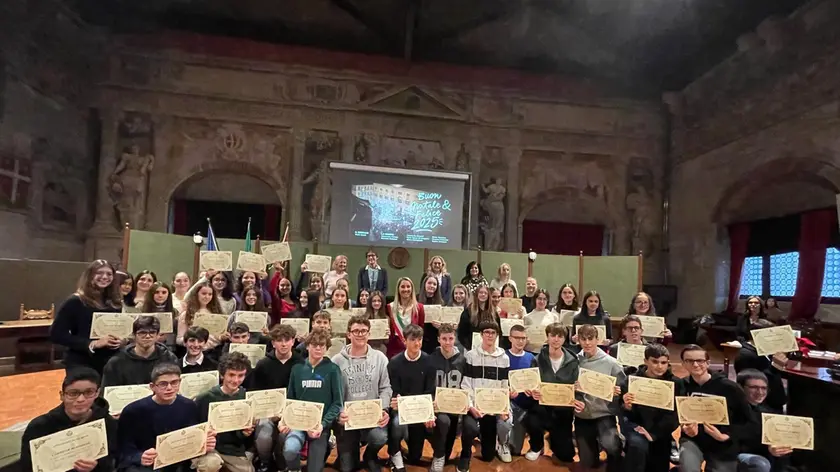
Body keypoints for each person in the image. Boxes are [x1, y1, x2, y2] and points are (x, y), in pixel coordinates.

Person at [117, 363, 218, 472]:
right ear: (152, 387)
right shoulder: (133, 411)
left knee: (212, 461)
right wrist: (139, 457)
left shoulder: (189, 406)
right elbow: (123, 448)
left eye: (174, 383)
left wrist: (205, 443)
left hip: (182, 460)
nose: (169, 388)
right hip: (149, 464)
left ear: (180, 382)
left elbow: (194, 437)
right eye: (163, 384)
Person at [21, 367, 119, 472]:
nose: (81, 399)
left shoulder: (107, 422)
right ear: (62, 395)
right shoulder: (39, 427)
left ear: (97, 393)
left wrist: (96, 467)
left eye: (89, 392)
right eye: (73, 393)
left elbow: (112, 462)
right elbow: (27, 467)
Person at [677, 344, 755, 472]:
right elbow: (675, 415)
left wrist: (726, 436)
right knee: (688, 467)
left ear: (708, 363)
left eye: (700, 361)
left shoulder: (730, 388)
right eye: (689, 361)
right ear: (683, 364)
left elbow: (750, 423)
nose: (695, 365)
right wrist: (684, 428)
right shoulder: (680, 385)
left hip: (723, 445)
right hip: (693, 440)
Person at [332, 316, 391, 472]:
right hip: (347, 420)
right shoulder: (336, 361)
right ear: (348, 334)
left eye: (363, 331)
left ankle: (370, 455)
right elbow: (332, 393)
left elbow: (386, 388)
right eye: (356, 331)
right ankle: (347, 453)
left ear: (369, 334)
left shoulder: (380, 358)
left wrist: (384, 409)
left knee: (380, 437)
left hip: (371, 417)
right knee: (347, 468)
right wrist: (339, 413)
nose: (360, 334)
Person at [281, 328, 343, 472]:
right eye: (315, 345)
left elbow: (337, 403)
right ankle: (294, 469)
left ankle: (326, 445)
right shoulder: (297, 369)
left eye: (322, 346)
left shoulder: (333, 369)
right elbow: (291, 399)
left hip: (319, 426)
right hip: (298, 422)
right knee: (290, 450)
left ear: (327, 348)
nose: (318, 348)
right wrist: (287, 420)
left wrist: (322, 424)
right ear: (308, 346)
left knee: (314, 469)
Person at [51, 259, 123, 374]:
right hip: (81, 361)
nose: (105, 277)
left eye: (109, 274)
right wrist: (91, 344)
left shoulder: (115, 303)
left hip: (110, 362)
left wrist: (121, 341)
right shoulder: (75, 301)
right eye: (99, 273)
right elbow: (56, 334)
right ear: (90, 275)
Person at [523, 323, 581, 463]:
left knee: (566, 456)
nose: (556, 339)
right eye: (552, 335)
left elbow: (576, 385)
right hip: (542, 407)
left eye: (560, 336)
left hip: (563, 410)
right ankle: (537, 446)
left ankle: (553, 438)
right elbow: (532, 384)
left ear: (564, 339)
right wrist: (532, 392)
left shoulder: (573, 361)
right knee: (530, 420)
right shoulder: (537, 359)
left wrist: (576, 389)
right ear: (547, 337)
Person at [386, 324, 441, 472]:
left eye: (420, 339)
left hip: (420, 410)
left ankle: (413, 445)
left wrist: (429, 412)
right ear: (405, 341)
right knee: (397, 423)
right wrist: (396, 400)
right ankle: (394, 453)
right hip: (401, 410)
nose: (417, 343)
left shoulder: (429, 361)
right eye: (413, 340)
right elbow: (394, 389)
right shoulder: (394, 363)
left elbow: (430, 390)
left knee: (415, 456)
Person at [460, 321, 513, 468]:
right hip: (476, 407)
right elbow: (466, 385)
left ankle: (499, 443)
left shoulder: (504, 358)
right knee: (469, 429)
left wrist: (504, 408)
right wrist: (471, 406)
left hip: (494, 407)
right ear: (481, 335)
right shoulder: (471, 356)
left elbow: (504, 385)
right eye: (486, 332)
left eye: (493, 333)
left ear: (497, 335)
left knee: (488, 456)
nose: (490, 335)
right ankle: (466, 454)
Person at [252, 324, 304, 472]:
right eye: (279, 340)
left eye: (287, 339)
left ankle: (283, 464)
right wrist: (269, 412)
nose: (283, 344)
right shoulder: (263, 364)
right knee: (264, 433)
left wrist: (286, 414)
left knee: (284, 436)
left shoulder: (300, 363)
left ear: (293, 341)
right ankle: (265, 463)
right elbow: (255, 393)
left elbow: (302, 393)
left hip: (290, 411)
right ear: (273, 342)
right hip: (267, 411)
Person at [620, 343, 679, 472]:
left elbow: (674, 416)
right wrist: (627, 406)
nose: (660, 366)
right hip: (636, 427)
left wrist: (653, 434)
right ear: (645, 361)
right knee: (637, 451)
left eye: (664, 363)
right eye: (655, 362)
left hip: (661, 431)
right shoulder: (631, 381)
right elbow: (625, 414)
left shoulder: (675, 383)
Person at [575, 324, 625, 472]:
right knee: (588, 462)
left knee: (611, 445)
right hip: (582, 414)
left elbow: (624, 389)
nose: (587, 343)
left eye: (591, 339)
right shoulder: (574, 361)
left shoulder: (612, 363)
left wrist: (619, 391)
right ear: (578, 340)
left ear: (598, 339)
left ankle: (617, 447)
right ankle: (595, 444)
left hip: (604, 413)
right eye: (583, 339)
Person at [194, 352, 255, 472]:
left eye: (240, 375)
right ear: (222, 375)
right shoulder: (205, 398)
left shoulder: (247, 398)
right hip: (209, 448)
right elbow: (195, 427)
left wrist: (245, 433)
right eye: (231, 375)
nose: (235, 380)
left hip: (233, 450)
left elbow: (242, 436)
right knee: (211, 464)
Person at [735, 369, 792, 472]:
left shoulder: (769, 413)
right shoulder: (733, 410)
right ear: (740, 387)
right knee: (761, 463)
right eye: (754, 387)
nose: (760, 392)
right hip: (735, 456)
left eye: (764, 388)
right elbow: (737, 443)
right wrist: (768, 448)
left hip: (764, 454)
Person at [102, 315, 177, 388]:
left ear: (157, 335)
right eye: (142, 333)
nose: (147, 336)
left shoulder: (169, 358)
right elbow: (107, 391)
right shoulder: (116, 362)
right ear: (134, 335)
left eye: (152, 332)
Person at [429, 323, 466, 463]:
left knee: (452, 429)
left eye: (450, 338)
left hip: (455, 405)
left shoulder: (462, 360)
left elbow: (465, 384)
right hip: (438, 404)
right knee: (443, 422)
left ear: (455, 338)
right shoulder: (432, 359)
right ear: (438, 339)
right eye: (444, 339)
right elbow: (428, 384)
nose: (447, 342)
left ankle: (444, 454)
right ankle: (438, 456)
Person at [733, 319, 788, 413]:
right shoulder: (745, 355)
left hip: (774, 400)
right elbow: (752, 380)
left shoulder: (765, 350)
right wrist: (774, 367)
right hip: (762, 406)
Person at [505, 324, 535, 456]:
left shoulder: (531, 358)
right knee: (511, 448)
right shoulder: (503, 356)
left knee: (516, 450)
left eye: (523, 338)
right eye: (517, 338)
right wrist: (507, 392)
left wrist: (533, 390)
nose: (520, 341)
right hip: (508, 404)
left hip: (526, 405)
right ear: (510, 338)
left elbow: (536, 382)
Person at [386, 277, 426, 358]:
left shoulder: (419, 308)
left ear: (412, 289)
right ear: (398, 289)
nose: (405, 289)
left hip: (413, 347)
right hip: (395, 348)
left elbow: (420, 329)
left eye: (408, 286)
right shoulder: (390, 307)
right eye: (402, 286)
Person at [456, 285, 498, 351]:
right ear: (476, 295)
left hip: (491, 349)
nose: (483, 294)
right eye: (481, 292)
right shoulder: (468, 312)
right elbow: (462, 334)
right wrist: (469, 347)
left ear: (488, 296)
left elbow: (499, 332)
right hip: (471, 349)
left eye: (485, 293)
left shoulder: (494, 313)